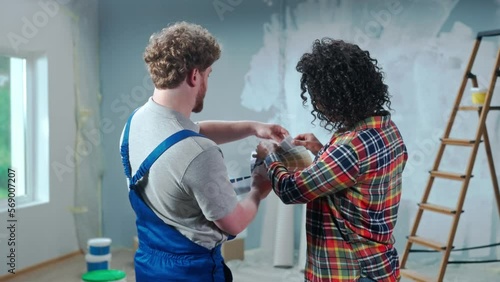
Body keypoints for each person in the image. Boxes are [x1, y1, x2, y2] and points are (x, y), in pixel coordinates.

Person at [120, 21, 288, 281]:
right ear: (195, 76)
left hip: (149, 266)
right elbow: (232, 223)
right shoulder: (199, 153)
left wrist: (254, 127)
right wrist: (258, 190)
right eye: (209, 74)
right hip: (193, 272)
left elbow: (190, 132)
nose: (207, 82)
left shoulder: (136, 122)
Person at [256, 38, 408, 282]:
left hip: (350, 271)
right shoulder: (386, 129)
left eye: (318, 97)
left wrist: (270, 156)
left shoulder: (350, 148)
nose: (317, 104)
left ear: (336, 97)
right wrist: (320, 150)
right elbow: (357, 175)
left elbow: (290, 190)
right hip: (378, 265)